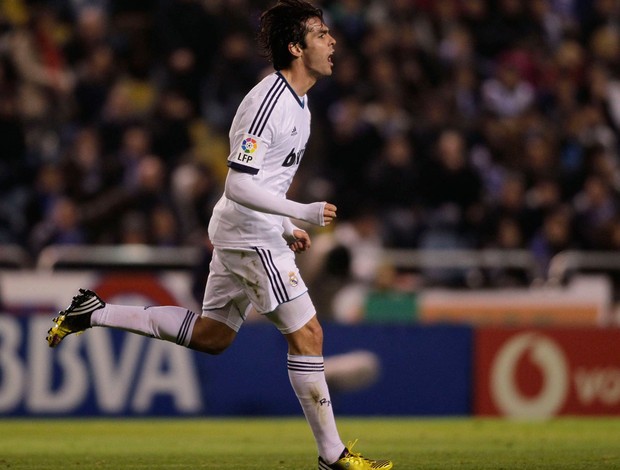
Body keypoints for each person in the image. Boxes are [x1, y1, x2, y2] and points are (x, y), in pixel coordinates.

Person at [46, 1, 393, 469]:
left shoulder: (302, 104)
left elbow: (264, 181)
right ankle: (333, 456)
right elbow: (238, 182)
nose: (333, 42)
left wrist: (287, 226)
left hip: (249, 230)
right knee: (308, 334)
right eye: (321, 34)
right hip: (249, 236)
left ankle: (95, 312)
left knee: (212, 336)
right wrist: (302, 211)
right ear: (296, 47)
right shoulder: (267, 103)